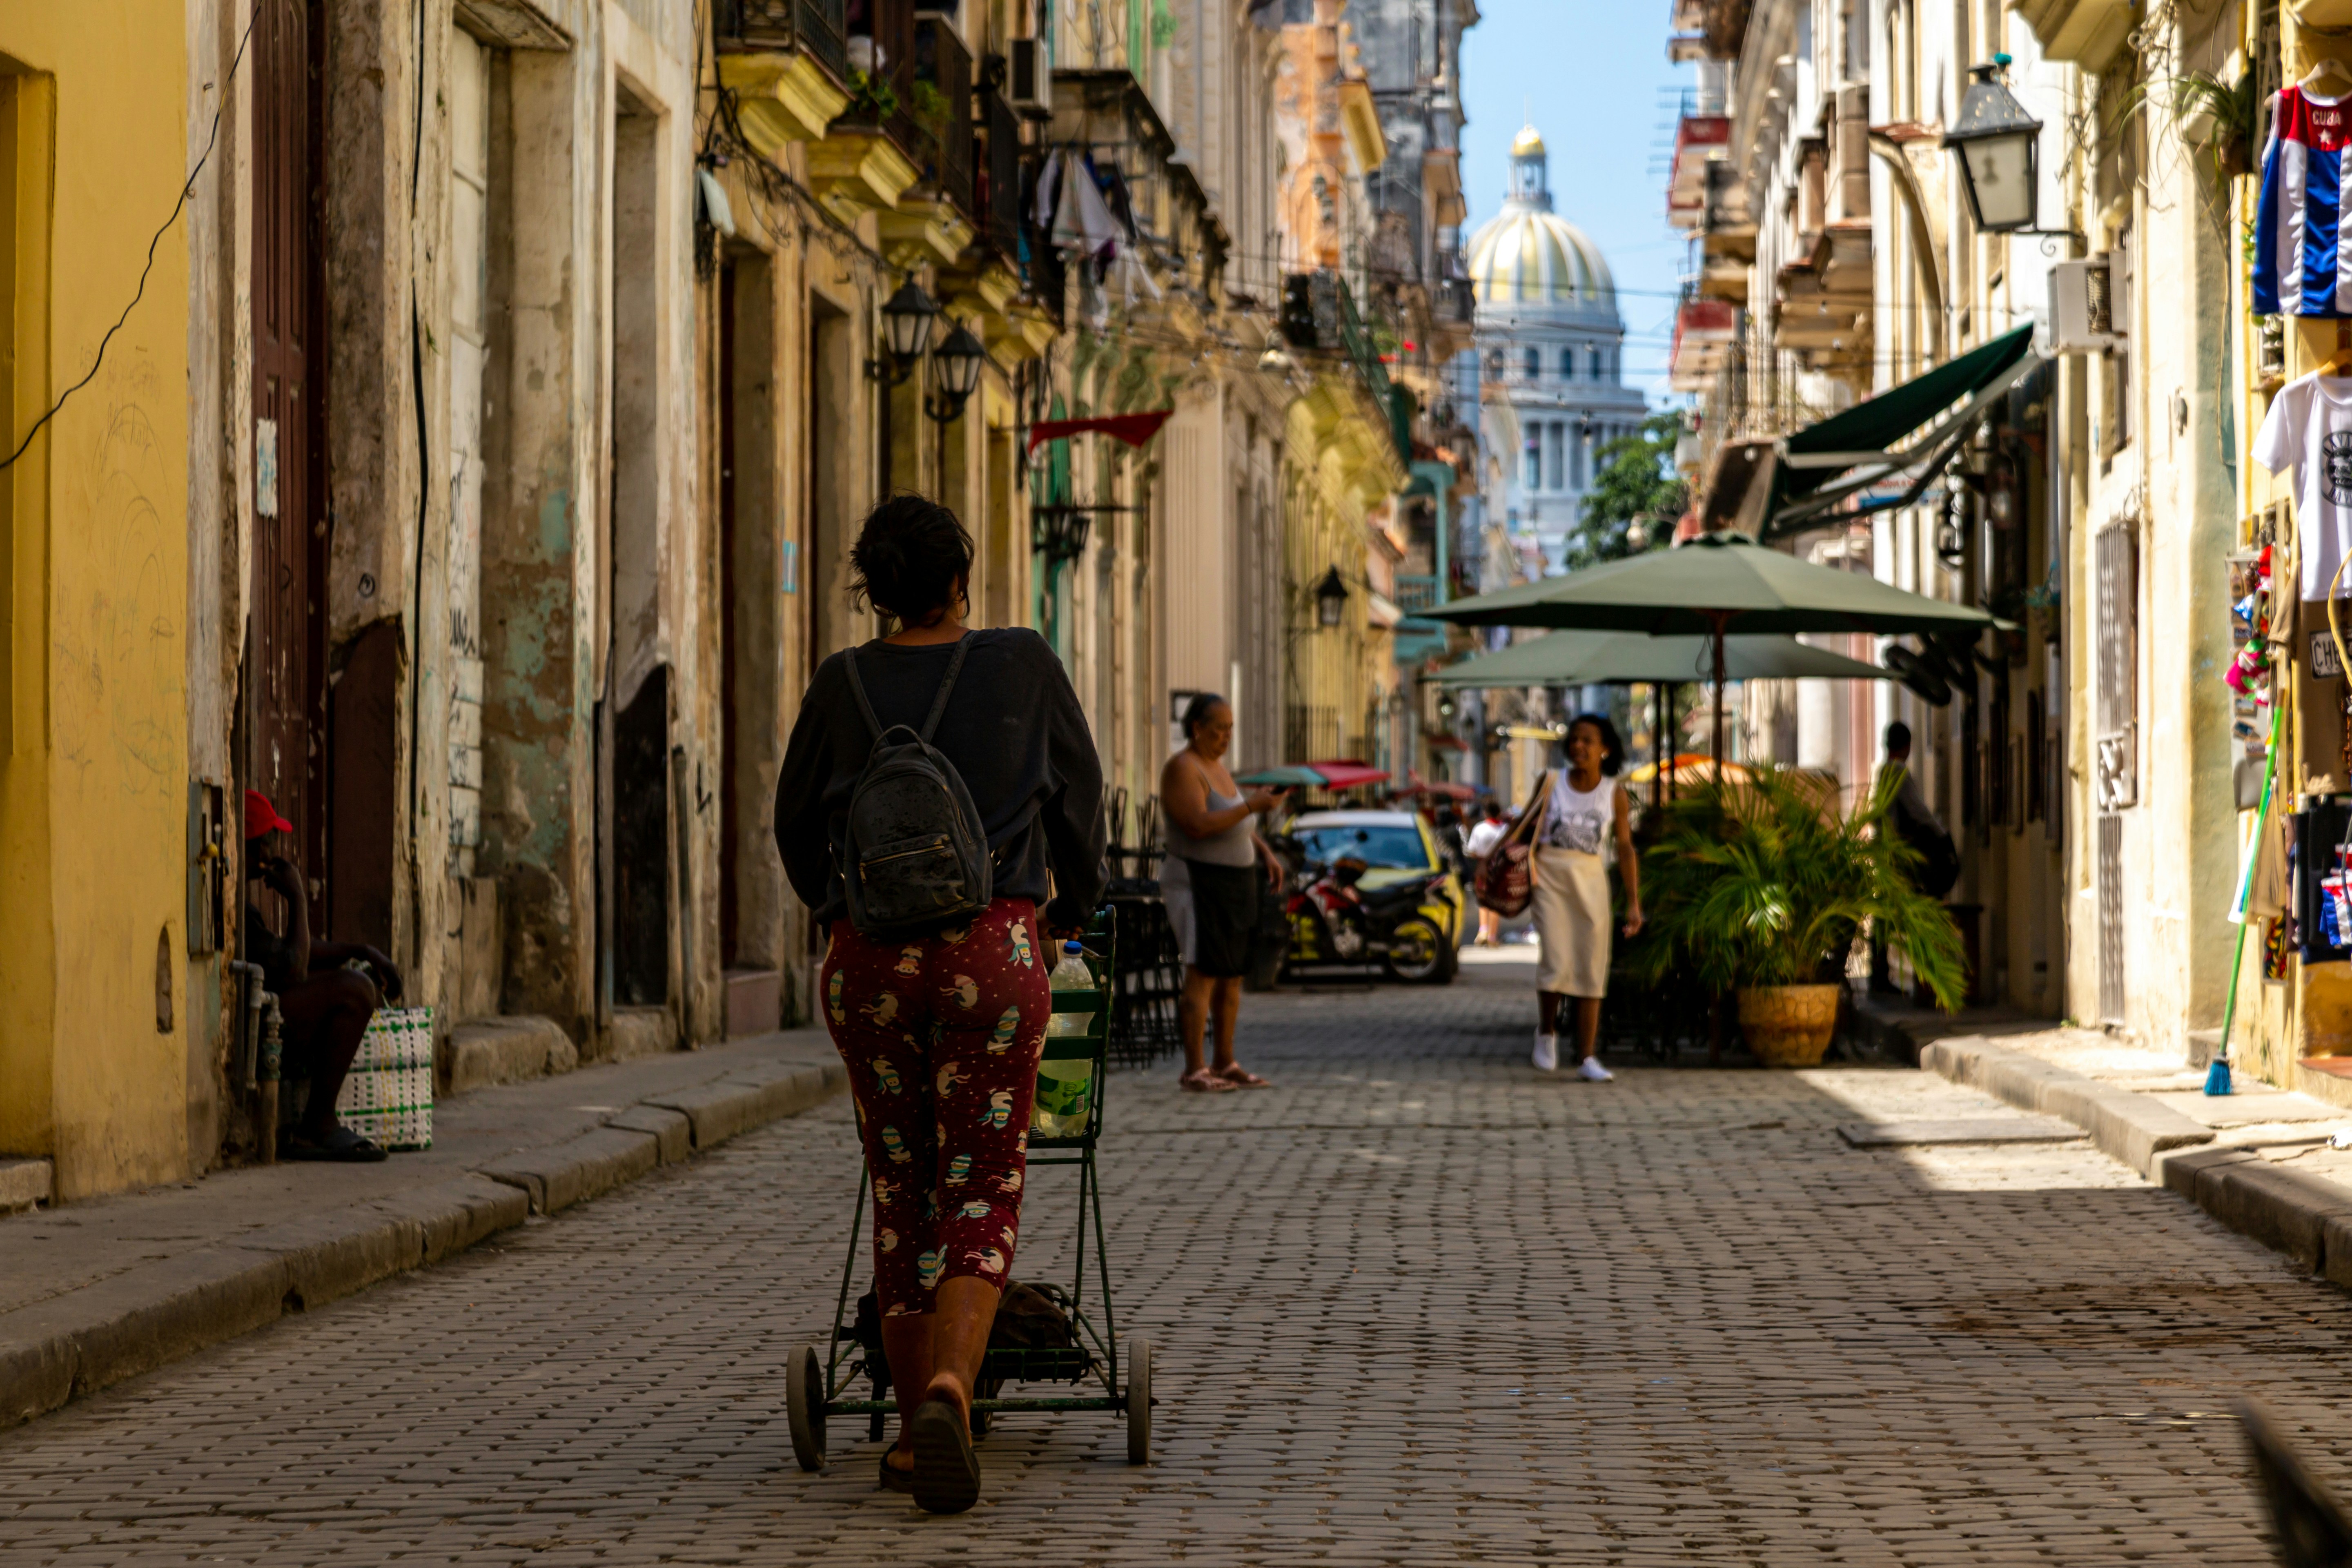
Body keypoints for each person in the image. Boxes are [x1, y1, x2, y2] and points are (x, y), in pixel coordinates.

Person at [774, 494, 1105, 1514]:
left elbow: (795, 830)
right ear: (961, 577)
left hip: (868, 963)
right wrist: (1068, 921)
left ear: (873, 588)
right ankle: (954, 1393)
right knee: (981, 1179)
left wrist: (843, 914)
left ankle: (916, 1422)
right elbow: (1081, 807)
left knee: (901, 1185)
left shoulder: (841, 683)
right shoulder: (1023, 663)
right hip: (991, 951)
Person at [241, 791, 402, 1162]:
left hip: (269, 1012)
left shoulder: (244, 905)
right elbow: (295, 967)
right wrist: (297, 897)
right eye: (266, 844)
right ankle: (318, 1125)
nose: (271, 855)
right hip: (250, 1028)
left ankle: (320, 1122)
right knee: (356, 990)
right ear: (248, 846)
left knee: (351, 975)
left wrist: (362, 950)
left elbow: (293, 954)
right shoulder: (235, 904)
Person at [1158, 693, 1287, 1093]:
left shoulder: (1217, 767)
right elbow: (1198, 824)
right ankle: (1195, 1068)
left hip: (1236, 880)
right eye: (1220, 728)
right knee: (1203, 970)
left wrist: (1264, 851)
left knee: (1232, 974)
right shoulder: (1183, 768)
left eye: (1231, 728)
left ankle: (1225, 1061)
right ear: (1197, 729)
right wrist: (1252, 806)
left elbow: (1235, 825)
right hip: (1199, 880)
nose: (1227, 736)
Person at [1531, 715, 1642, 1080]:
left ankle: (1587, 1057)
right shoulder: (1550, 782)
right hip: (1549, 877)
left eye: (1588, 741)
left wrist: (1633, 902)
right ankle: (1547, 1032)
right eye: (1574, 739)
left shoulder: (1615, 793)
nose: (1579, 746)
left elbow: (1625, 848)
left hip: (1591, 880)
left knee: (1592, 966)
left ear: (1604, 749)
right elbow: (1524, 831)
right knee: (1556, 958)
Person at [1877, 721, 1958, 898]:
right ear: (1907, 745)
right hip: (1901, 848)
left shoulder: (1884, 771)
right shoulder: (1898, 769)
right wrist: (1943, 835)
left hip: (1888, 848)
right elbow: (1917, 810)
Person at [1464, 796, 1511, 946]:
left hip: (1482, 868)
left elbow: (1471, 851)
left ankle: (1483, 930)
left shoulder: (1479, 828)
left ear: (1486, 813)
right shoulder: (1505, 829)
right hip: (1499, 869)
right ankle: (1492, 937)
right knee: (1496, 902)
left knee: (1483, 899)